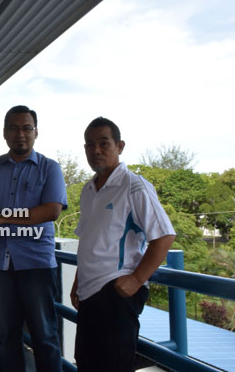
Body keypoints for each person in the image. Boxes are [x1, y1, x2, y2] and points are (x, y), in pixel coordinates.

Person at [70, 117, 175, 372]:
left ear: (120, 146)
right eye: (90, 144)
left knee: (114, 365)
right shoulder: (88, 190)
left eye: (103, 143)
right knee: (86, 363)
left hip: (115, 292)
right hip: (88, 294)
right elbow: (89, 241)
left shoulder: (134, 186)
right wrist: (76, 284)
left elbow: (164, 237)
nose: (96, 150)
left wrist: (136, 279)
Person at [0, 105, 66, 372]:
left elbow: (52, 210)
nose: (20, 134)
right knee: (5, 336)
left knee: (44, 335)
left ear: (36, 132)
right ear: (4, 133)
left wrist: (4, 216)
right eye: (13, 128)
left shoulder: (50, 168)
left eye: (26, 128)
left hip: (36, 264)